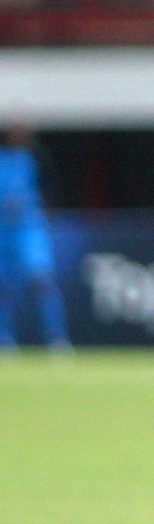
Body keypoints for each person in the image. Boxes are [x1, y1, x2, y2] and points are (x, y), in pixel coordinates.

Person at [0, 119, 71, 351]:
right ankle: (4, 339)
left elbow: (51, 188)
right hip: (3, 230)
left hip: (28, 228)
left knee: (41, 280)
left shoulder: (37, 157)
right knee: (4, 286)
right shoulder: (3, 160)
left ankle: (57, 338)